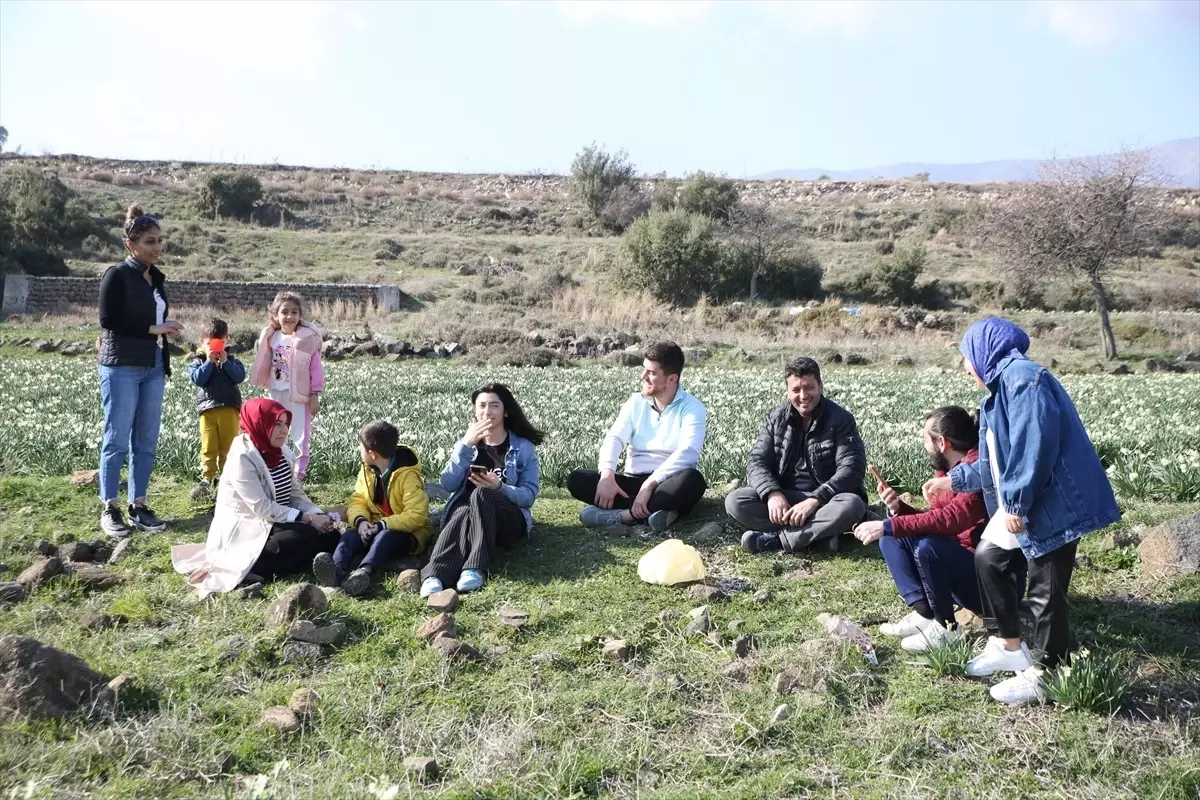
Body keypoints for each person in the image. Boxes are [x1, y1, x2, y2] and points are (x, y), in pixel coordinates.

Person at [924, 317, 1120, 705]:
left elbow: (1034, 447)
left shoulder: (1024, 381)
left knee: (1046, 588)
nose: (965, 368)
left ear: (983, 352)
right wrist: (954, 480)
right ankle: (1008, 644)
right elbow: (995, 462)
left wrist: (1016, 502)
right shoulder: (997, 393)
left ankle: (1048, 672)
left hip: (1054, 502)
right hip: (1030, 498)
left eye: (966, 358)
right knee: (988, 557)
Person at [170, 398, 338, 598]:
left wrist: (317, 514)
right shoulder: (242, 457)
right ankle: (254, 567)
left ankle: (317, 560)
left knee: (330, 533)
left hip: (279, 520)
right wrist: (307, 518)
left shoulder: (282, 451)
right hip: (250, 527)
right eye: (277, 424)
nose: (284, 430)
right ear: (260, 424)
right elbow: (262, 507)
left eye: (286, 424)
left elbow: (294, 493)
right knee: (303, 535)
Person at [852, 407, 988, 652]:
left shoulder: (976, 472)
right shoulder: (947, 471)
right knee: (892, 539)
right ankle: (926, 614)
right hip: (958, 563)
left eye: (926, 439)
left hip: (984, 581)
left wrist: (887, 525)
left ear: (942, 442)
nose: (924, 446)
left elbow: (950, 520)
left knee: (928, 547)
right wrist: (898, 509)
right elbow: (936, 520)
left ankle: (947, 628)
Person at [97, 204, 185, 538]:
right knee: (117, 439)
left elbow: (150, 320)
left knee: (145, 440)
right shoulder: (117, 274)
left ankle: (139, 505)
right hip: (121, 366)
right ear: (130, 244)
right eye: (150, 241)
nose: (157, 247)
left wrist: (163, 327)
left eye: (160, 240)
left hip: (153, 367)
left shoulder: (156, 279)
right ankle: (110, 507)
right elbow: (109, 320)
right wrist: (154, 328)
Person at [728, 356, 867, 553]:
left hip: (825, 500)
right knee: (736, 501)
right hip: (786, 497)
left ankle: (777, 540)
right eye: (796, 390)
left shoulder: (841, 420)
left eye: (809, 387)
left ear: (820, 386)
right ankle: (818, 536)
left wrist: (815, 500)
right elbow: (757, 461)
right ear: (787, 391)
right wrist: (772, 494)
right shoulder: (776, 418)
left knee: (852, 505)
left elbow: (852, 469)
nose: (803, 396)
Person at [568, 341, 708, 532]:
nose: (643, 377)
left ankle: (625, 516)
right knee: (577, 479)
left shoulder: (692, 408)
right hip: (632, 482)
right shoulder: (635, 403)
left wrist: (649, 485)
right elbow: (615, 438)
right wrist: (607, 475)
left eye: (651, 373)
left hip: (666, 483)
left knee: (693, 481)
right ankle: (659, 513)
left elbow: (688, 451)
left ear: (672, 379)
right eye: (644, 370)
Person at [421, 383, 542, 597]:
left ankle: (475, 568)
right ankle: (435, 575)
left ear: (505, 412)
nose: (487, 411)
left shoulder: (523, 448)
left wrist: (500, 487)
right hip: (467, 517)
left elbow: (528, 496)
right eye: (482, 405)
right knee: (462, 510)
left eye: (494, 405)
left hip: (507, 521)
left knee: (482, 493)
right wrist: (466, 445)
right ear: (475, 411)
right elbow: (448, 484)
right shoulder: (467, 445)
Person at [313, 420, 432, 597]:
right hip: (373, 527)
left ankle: (364, 572)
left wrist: (382, 525)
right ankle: (336, 570)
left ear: (372, 453)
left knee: (385, 537)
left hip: (407, 534)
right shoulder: (367, 470)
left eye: (360, 447)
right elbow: (358, 499)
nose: (358, 450)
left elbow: (417, 515)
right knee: (350, 535)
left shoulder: (408, 476)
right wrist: (361, 521)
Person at [249, 291, 324, 482]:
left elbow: (316, 368)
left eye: (294, 312)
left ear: (300, 315)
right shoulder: (271, 337)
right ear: (275, 315)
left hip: (299, 395)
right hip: (276, 391)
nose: (290, 316)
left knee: (300, 434)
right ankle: (277, 470)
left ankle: (298, 475)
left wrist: (315, 394)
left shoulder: (306, 339)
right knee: (275, 431)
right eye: (284, 312)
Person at [188, 318, 246, 501]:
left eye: (219, 343)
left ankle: (226, 478)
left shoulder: (232, 360)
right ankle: (207, 477)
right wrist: (209, 362)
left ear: (226, 341)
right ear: (201, 342)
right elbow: (198, 379)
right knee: (208, 445)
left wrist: (226, 362)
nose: (215, 348)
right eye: (209, 344)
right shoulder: (198, 362)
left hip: (229, 408)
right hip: (207, 410)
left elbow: (239, 377)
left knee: (228, 446)